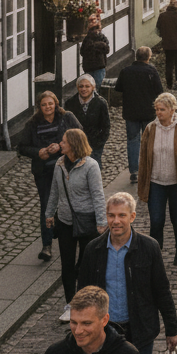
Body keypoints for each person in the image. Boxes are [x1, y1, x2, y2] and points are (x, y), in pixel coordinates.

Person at [46, 128, 107, 322]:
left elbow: (98, 195)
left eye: (64, 142)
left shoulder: (91, 166)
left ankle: (86, 303)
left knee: (86, 264)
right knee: (67, 266)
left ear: (73, 145)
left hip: (87, 221)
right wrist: (49, 213)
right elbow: (54, 191)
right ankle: (70, 306)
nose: (60, 144)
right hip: (65, 222)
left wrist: (101, 222)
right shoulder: (59, 164)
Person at [18, 91, 82, 261]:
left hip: (67, 168)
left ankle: (74, 236)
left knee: (71, 201)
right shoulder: (32, 124)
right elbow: (22, 146)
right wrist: (39, 152)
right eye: (44, 105)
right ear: (39, 107)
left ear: (56, 104)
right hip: (44, 171)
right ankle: (47, 245)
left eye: (50, 104)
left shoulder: (67, 117)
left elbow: (80, 136)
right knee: (47, 206)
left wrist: (61, 147)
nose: (48, 107)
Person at [138, 92, 177, 266]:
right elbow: (143, 159)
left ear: (172, 110)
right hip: (156, 182)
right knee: (156, 220)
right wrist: (142, 184)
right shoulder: (150, 128)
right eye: (156, 109)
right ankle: (156, 253)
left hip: (176, 183)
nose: (158, 113)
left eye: (162, 109)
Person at [115, 46, 164, 183]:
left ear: (136, 57)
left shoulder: (126, 71)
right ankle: (150, 169)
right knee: (149, 141)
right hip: (148, 112)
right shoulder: (151, 71)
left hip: (130, 112)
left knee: (132, 141)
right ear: (149, 57)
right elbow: (159, 91)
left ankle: (134, 172)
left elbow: (118, 88)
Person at [66, 74, 110, 167]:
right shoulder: (70, 103)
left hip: (95, 145)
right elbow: (67, 126)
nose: (84, 89)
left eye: (87, 86)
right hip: (76, 146)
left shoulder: (101, 103)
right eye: (81, 86)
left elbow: (106, 126)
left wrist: (100, 143)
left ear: (93, 87)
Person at [79, 15, 110, 88]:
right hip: (89, 68)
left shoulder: (102, 37)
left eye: (97, 28)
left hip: (99, 68)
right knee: (90, 87)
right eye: (93, 29)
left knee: (98, 87)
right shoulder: (87, 39)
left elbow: (107, 49)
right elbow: (83, 52)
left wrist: (96, 46)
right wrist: (98, 46)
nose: (95, 31)